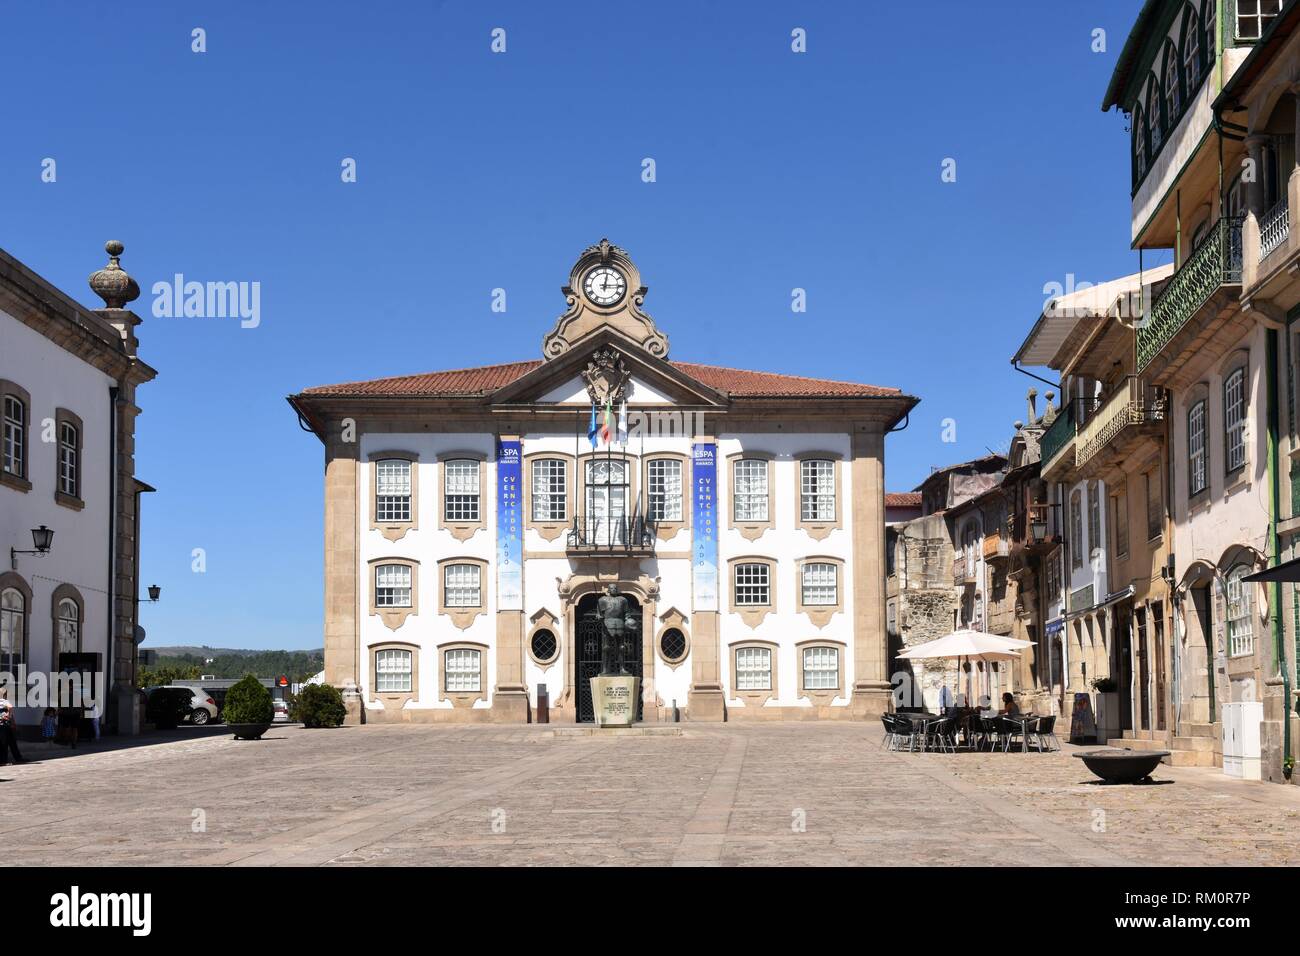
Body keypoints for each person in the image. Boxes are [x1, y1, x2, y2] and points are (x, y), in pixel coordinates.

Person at [0, 691, 27, 765]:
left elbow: (10, 713)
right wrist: (9, 716)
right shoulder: (4, 701)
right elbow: (10, 708)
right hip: (3, 725)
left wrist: (12, 721)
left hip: (6, 725)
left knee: (11, 742)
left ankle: (17, 758)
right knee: (5, 743)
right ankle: (4, 761)